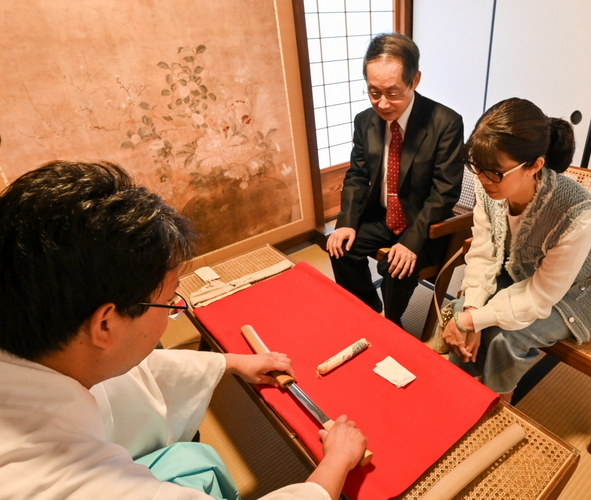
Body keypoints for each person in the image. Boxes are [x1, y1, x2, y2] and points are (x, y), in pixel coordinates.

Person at [0, 161, 367, 500]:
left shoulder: (39, 349)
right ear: (105, 324)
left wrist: (231, 363)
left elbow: (127, 376)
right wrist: (336, 461)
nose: (173, 312)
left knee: (195, 460)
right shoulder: (69, 484)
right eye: (170, 301)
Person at [442, 98, 591, 402]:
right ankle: (461, 397)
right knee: (463, 309)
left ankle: (496, 408)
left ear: (535, 165)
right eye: (478, 167)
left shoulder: (577, 214)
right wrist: (472, 312)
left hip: (582, 291)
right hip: (523, 272)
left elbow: (542, 296)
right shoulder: (489, 184)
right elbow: (484, 252)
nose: (484, 179)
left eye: (496, 172)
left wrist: (473, 322)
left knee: (507, 337)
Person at [326, 33, 464, 328]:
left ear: (415, 80)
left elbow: (445, 192)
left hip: (425, 224)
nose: (383, 103)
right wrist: (346, 221)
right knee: (339, 247)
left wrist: (411, 242)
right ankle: (367, 309)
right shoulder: (365, 121)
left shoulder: (445, 122)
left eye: (393, 92)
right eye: (374, 92)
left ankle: (392, 321)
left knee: (395, 268)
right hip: (382, 216)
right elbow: (358, 175)